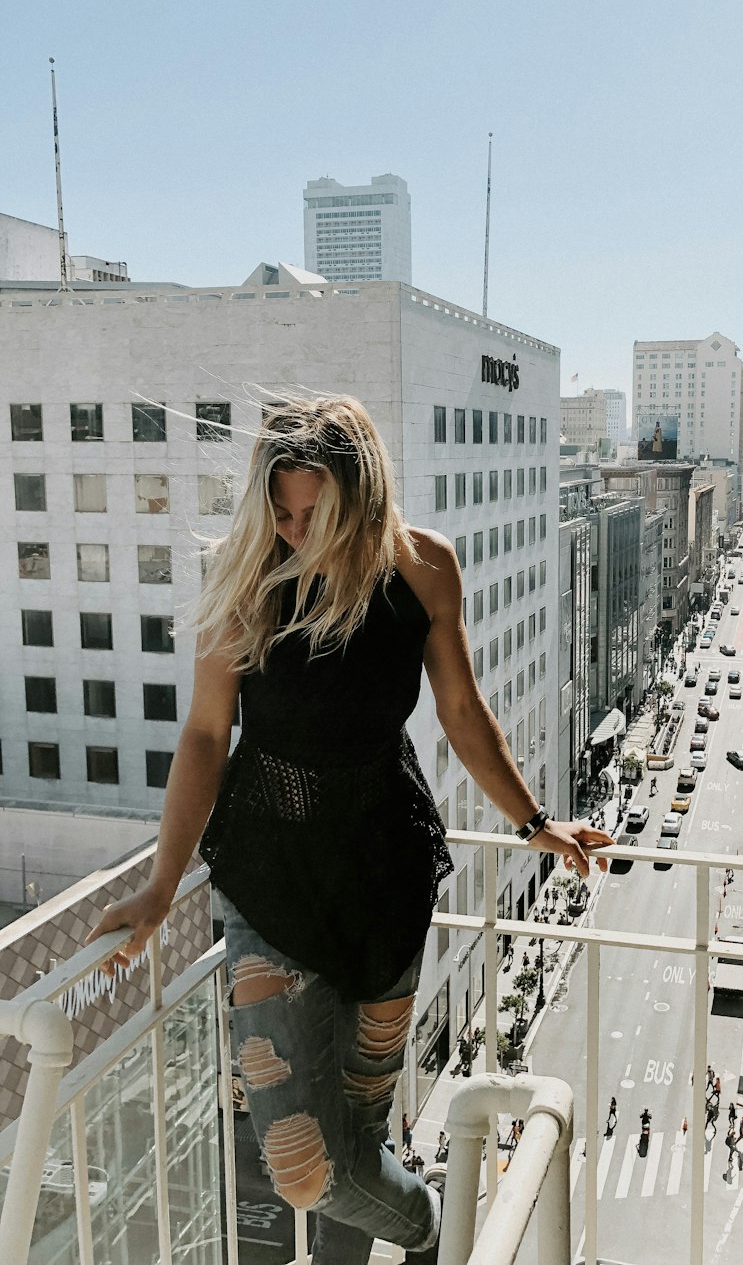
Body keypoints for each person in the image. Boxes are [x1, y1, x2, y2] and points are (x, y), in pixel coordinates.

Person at [85, 396, 613, 1265]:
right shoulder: (242, 576)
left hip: (386, 875)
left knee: (359, 1132)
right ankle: (429, 1226)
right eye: (281, 512)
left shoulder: (423, 569)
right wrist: (156, 885)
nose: (294, 531)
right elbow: (206, 736)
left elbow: (462, 712)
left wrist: (536, 824)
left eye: (314, 514)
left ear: (362, 499)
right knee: (301, 1163)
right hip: (268, 878)